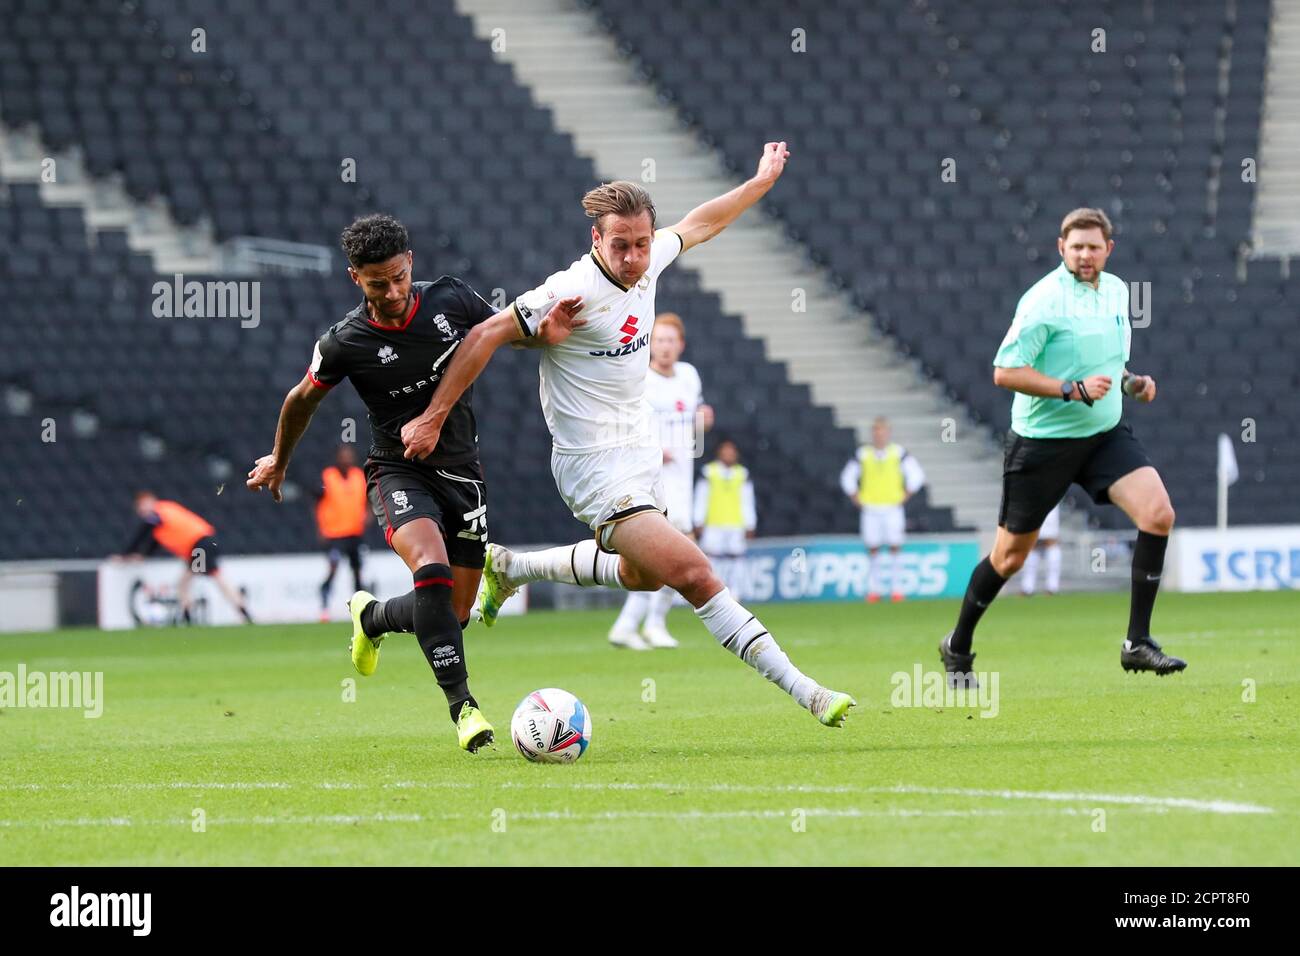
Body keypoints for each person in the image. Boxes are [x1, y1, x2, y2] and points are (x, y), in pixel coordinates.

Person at [398, 142, 856, 728]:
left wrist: (760, 181)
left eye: (642, 243)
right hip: (593, 465)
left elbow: (703, 222)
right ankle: (808, 691)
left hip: (639, 451)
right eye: (621, 246)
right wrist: (436, 415)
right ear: (596, 240)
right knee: (694, 574)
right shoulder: (570, 289)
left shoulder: (651, 258)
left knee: (643, 578)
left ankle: (512, 568)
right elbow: (485, 334)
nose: (635, 257)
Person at [246, 214, 574, 752]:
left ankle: (371, 616)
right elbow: (300, 399)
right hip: (397, 470)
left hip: (462, 471)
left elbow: (501, 334)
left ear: (411, 263)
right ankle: (463, 708)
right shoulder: (344, 342)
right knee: (432, 568)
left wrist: (544, 336)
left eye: (398, 276)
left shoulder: (450, 300)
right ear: (356, 278)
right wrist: (280, 460)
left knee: (455, 614)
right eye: (378, 282)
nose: (393, 291)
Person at [938, 207, 1185, 688]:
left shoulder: (1117, 292)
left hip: (1103, 435)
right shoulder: (1043, 301)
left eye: (1094, 247)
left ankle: (1137, 643)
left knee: (1158, 514)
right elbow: (1005, 372)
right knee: (1009, 558)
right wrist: (1071, 389)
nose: (1086, 255)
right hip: (1043, 444)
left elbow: (1111, 366)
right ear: (1061, 249)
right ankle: (958, 644)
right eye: (1076, 247)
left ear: (1108, 250)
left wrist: (1132, 384)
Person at [607, 311, 712, 650]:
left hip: (682, 478)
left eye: (670, 340)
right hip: (650, 477)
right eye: (659, 340)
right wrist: (653, 448)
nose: (664, 347)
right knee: (679, 550)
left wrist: (703, 422)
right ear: (650, 344)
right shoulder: (641, 381)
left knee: (659, 557)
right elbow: (622, 424)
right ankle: (652, 623)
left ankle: (628, 625)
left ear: (680, 345)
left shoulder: (688, 376)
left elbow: (694, 425)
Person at [118, 491, 253, 624]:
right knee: (188, 581)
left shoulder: (158, 513)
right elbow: (155, 541)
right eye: (140, 506)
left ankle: (238, 610)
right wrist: (142, 555)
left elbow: (143, 532)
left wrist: (125, 554)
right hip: (202, 544)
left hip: (200, 545)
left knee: (208, 578)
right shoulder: (161, 517)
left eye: (145, 504)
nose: (143, 509)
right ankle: (191, 614)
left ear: (152, 501)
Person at [839, 417, 926, 603]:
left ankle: (896, 589)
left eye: (883, 431)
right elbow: (847, 477)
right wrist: (856, 497)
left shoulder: (898, 453)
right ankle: (874, 590)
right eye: (877, 432)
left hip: (893, 507)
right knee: (873, 549)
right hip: (870, 508)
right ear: (873, 434)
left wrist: (905, 495)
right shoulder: (863, 454)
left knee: (895, 547)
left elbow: (916, 475)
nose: (880, 435)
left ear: (888, 433)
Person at [693, 438, 756, 589]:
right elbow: (701, 497)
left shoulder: (742, 473)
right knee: (711, 558)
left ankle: (735, 592)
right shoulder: (709, 471)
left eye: (731, 451)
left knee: (737, 558)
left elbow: (747, 500)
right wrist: (698, 520)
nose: (728, 454)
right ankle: (712, 590)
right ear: (719, 452)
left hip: (736, 523)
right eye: (725, 451)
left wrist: (750, 523)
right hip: (713, 523)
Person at [315, 445, 368, 620]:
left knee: (357, 571)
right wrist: (321, 527)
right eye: (343, 456)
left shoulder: (358, 476)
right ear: (337, 458)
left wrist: (368, 514)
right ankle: (324, 607)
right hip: (335, 534)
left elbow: (368, 499)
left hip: (354, 532)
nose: (347, 459)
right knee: (333, 568)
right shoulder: (328, 476)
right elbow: (318, 503)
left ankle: (360, 609)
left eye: (349, 456)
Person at [1020, 500, 1063, 597]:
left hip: (1049, 501)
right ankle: (1027, 587)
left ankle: (1052, 587)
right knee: (1032, 547)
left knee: (1051, 545)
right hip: (1033, 503)